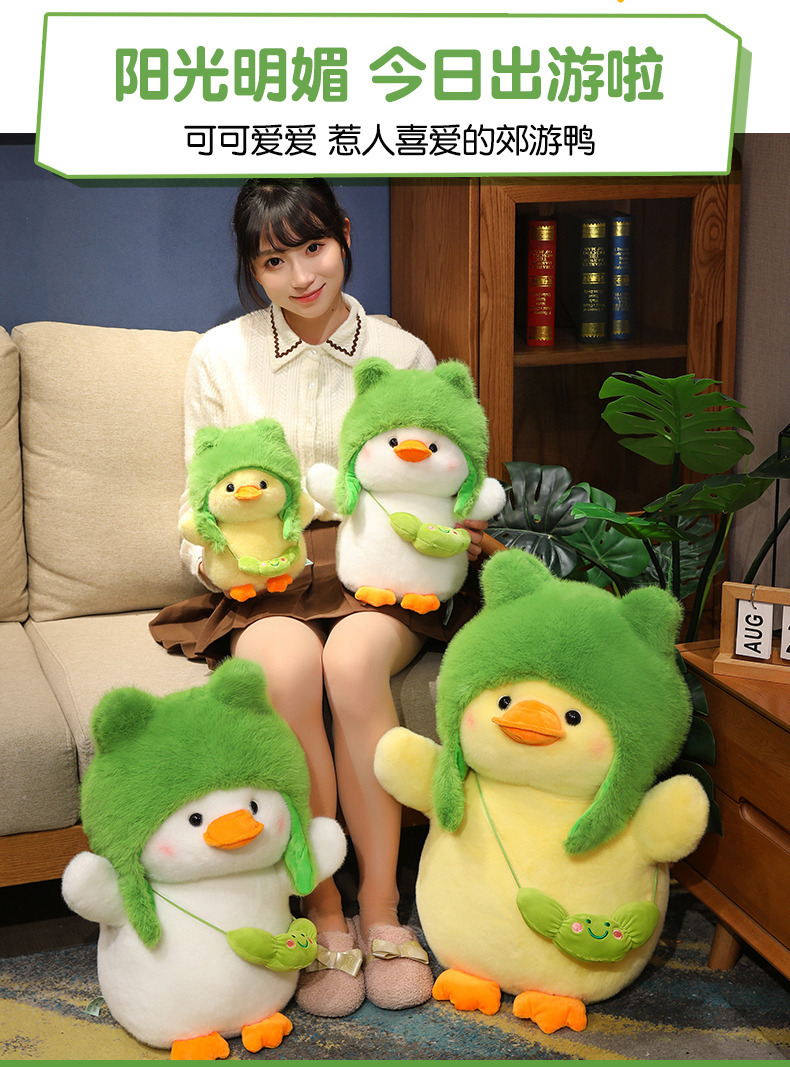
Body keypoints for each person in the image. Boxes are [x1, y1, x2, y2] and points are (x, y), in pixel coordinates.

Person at [150, 178, 486, 1017]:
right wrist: (222, 566)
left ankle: (383, 907)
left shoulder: (403, 354)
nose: (301, 276)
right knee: (288, 665)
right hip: (272, 571)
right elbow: (198, 500)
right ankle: (324, 907)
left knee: (354, 660)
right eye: (274, 260)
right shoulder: (219, 356)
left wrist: (452, 527)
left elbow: (451, 475)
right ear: (252, 267)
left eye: (313, 247)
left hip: (384, 568)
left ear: (344, 235)